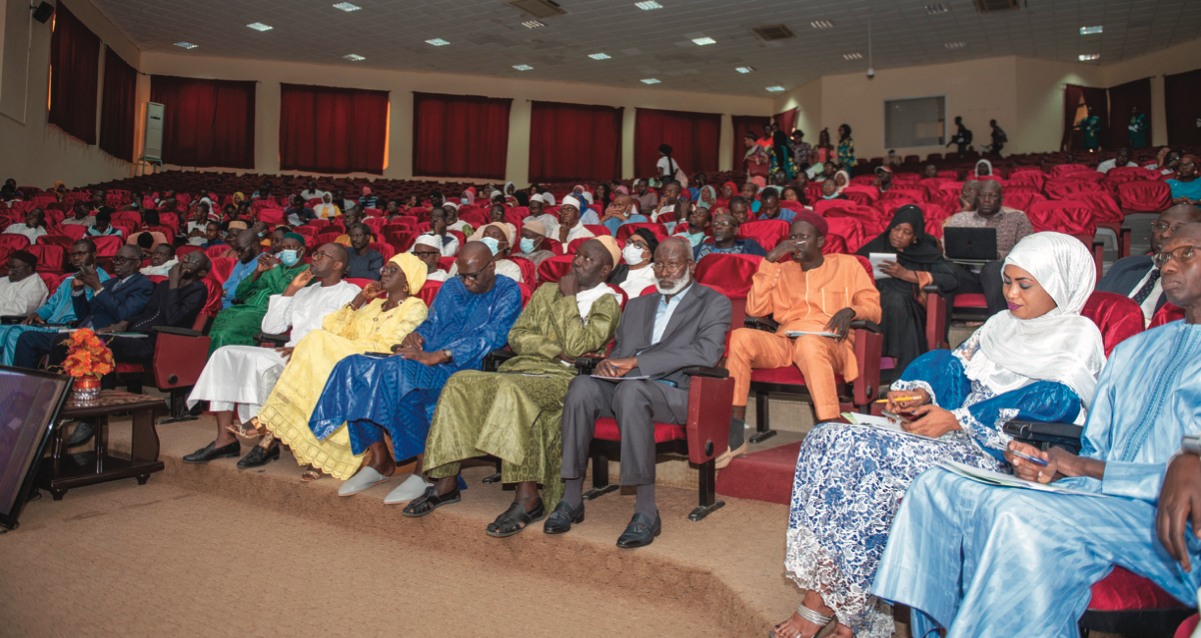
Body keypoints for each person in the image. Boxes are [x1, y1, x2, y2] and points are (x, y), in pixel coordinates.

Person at [770, 232, 1104, 638]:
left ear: (1060, 285)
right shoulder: (1002, 323)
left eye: (1024, 284)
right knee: (828, 438)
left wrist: (961, 420)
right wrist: (919, 394)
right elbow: (954, 367)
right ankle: (829, 590)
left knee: (874, 465)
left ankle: (840, 612)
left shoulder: (1077, 334)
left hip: (1000, 454)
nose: (1011, 293)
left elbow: (1057, 404)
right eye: (1007, 281)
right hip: (952, 435)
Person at [871, 226, 1201, 638]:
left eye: (1186, 252)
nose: (1168, 263)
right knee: (939, 487)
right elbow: (1098, 444)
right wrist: (1056, 467)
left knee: (1014, 516)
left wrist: (1088, 469)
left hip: (1171, 523)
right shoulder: (1137, 351)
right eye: (1163, 255)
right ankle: (941, 628)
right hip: (1097, 497)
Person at [411, 239, 622, 533]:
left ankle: (528, 497)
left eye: (588, 259)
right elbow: (518, 335)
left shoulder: (608, 303)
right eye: (577, 255)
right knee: (459, 382)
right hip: (522, 368)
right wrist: (555, 350)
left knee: (514, 391)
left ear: (605, 270)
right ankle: (445, 482)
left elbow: (578, 347)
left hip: (563, 380)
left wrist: (569, 300)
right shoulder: (546, 290)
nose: (577, 262)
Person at [303, 243, 522, 502]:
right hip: (426, 358)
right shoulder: (452, 286)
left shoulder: (508, 290)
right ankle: (380, 458)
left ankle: (426, 468)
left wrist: (439, 355)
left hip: (464, 366)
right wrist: (416, 336)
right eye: (461, 275)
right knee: (353, 366)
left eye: (473, 276)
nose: (466, 282)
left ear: (492, 266)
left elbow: (493, 335)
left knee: (397, 376)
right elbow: (432, 323)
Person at [556, 237, 731, 547]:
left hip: (676, 392)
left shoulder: (714, 302)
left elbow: (706, 353)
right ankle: (571, 497)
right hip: (628, 386)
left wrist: (635, 362)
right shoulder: (637, 305)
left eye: (673, 265)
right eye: (659, 265)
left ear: (690, 266)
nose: (664, 272)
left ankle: (646, 511)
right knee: (581, 386)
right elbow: (619, 353)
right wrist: (607, 366)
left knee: (632, 393)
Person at [254, 253, 428, 482]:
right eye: (385, 268)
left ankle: (268, 423)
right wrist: (359, 299)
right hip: (349, 358)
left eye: (393, 270)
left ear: (408, 280)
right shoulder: (374, 304)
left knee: (316, 341)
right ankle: (315, 452)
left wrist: (344, 346)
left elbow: (390, 344)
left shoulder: (415, 307)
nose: (384, 273)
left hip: (379, 363)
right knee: (320, 358)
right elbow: (334, 329)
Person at [183, 244, 360, 468]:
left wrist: (309, 348)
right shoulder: (305, 291)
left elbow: (347, 334)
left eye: (321, 255)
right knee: (224, 354)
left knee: (261, 364)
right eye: (314, 254)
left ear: (338, 265)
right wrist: (291, 289)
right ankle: (224, 439)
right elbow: (271, 327)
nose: (313, 258)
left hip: (319, 357)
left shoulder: (351, 293)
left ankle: (266, 441)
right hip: (290, 352)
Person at [726, 214, 881, 455]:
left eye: (804, 237)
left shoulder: (847, 265)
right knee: (740, 337)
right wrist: (769, 261)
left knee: (809, 343)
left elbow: (874, 310)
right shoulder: (782, 270)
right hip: (786, 340)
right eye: (793, 237)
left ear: (820, 241)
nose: (796, 242)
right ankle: (734, 431)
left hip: (830, 344)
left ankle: (830, 427)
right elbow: (754, 310)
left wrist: (852, 311)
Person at [12, 245, 153, 372]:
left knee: (60, 341)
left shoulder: (143, 285)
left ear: (137, 263)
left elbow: (123, 314)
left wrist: (98, 287)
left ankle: (54, 392)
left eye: (122, 260)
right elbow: (83, 314)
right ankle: (23, 389)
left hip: (103, 336)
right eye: (116, 259)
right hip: (81, 331)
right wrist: (78, 290)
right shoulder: (110, 283)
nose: (116, 263)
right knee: (27, 338)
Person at [856, 205, 956, 372]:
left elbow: (950, 280)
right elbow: (850, 271)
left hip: (910, 306)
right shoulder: (874, 247)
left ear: (915, 236)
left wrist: (905, 274)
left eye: (906, 232)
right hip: (874, 305)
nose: (899, 236)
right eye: (896, 229)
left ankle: (904, 371)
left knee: (897, 301)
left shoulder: (926, 252)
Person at [1098, 204, 1201, 326]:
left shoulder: (1193, 285)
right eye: (1161, 226)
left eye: (1179, 228)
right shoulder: (1125, 266)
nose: (1165, 234)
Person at [206, 233, 310, 353]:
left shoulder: (306, 272)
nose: (285, 251)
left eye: (290, 247)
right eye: (283, 248)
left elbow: (285, 293)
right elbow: (240, 293)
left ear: (302, 250)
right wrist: (257, 272)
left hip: (265, 314)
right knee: (208, 329)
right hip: (243, 309)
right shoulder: (274, 269)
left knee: (223, 335)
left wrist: (275, 266)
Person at [944, 180, 1035, 316]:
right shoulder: (960, 219)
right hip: (967, 277)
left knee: (993, 267)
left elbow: (1029, 252)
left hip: (1001, 278)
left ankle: (998, 331)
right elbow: (945, 250)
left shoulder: (1017, 218)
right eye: (982, 195)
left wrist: (999, 255)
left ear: (1001, 199)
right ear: (976, 197)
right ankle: (940, 335)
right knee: (946, 269)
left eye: (992, 196)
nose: (986, 200)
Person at [448, 223, 524, 283]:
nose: (488, 238)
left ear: (505, 245)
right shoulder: (464, 262)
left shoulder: (511, 269)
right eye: (486, 235)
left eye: (494, 236)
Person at [694, 213, 768, 261]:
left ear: (735, 230)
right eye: (715, 224)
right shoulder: (700, 248)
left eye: (724, 224)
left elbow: (766, 266)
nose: (718, 227)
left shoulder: (748, 247)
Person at [610, 228, 659, 297]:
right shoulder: (615, 269)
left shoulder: (655, 271)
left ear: (650, 254)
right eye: (630, 242)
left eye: (639, 244)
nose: (631, 246)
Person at [0, 251, 48, 317]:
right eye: (9, 268)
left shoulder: (34, 285)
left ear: (28, 269)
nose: (9, 273)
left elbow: (20, 309)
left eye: (14, 269)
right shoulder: (6, 279)